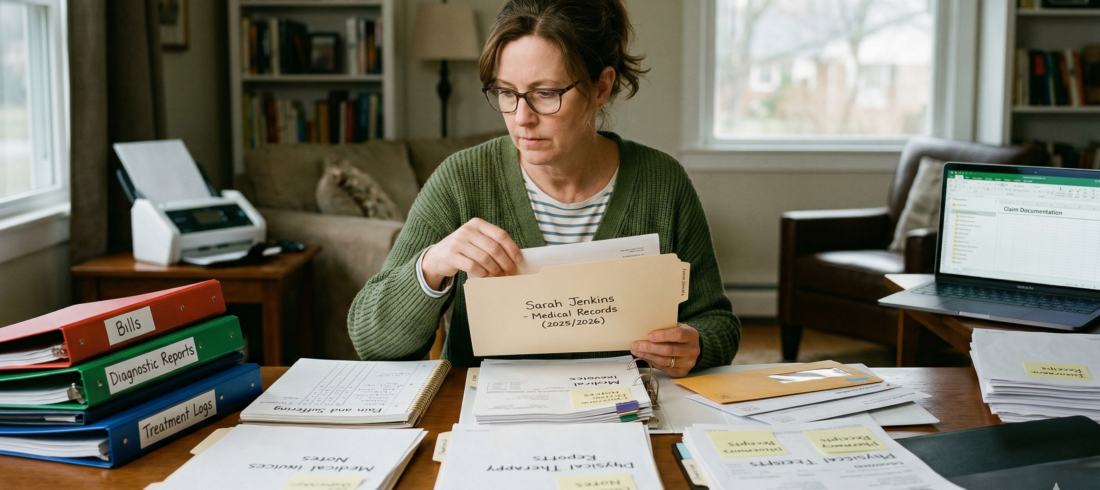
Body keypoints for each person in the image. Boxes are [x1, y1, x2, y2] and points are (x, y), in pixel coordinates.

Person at [348, 0, 739, 376]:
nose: (521, 118)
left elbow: (717, 323)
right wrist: (432, 265)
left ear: (601, 88)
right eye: (506, 92)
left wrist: (695, 345)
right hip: (488, 422)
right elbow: (372, 341)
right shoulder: (462, 179)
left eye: (545, 93)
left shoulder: (662, 182)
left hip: (621, 418)